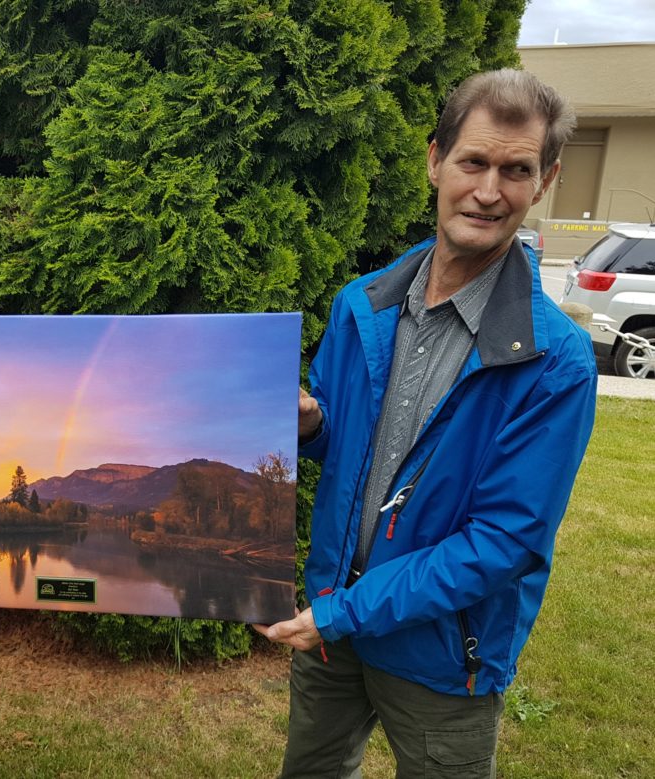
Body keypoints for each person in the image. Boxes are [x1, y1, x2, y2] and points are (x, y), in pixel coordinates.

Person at [257, 69, 598, 777]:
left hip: (444, 653)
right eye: (474, 160)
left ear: (545, 180)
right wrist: (311, 423)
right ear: (435, 158)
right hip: (333, 622)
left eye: (516, 170)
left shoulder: (555, 362)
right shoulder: (362, 305)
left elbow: (504, 542)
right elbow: (346, 449)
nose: (488, 189)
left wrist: (347, 611)